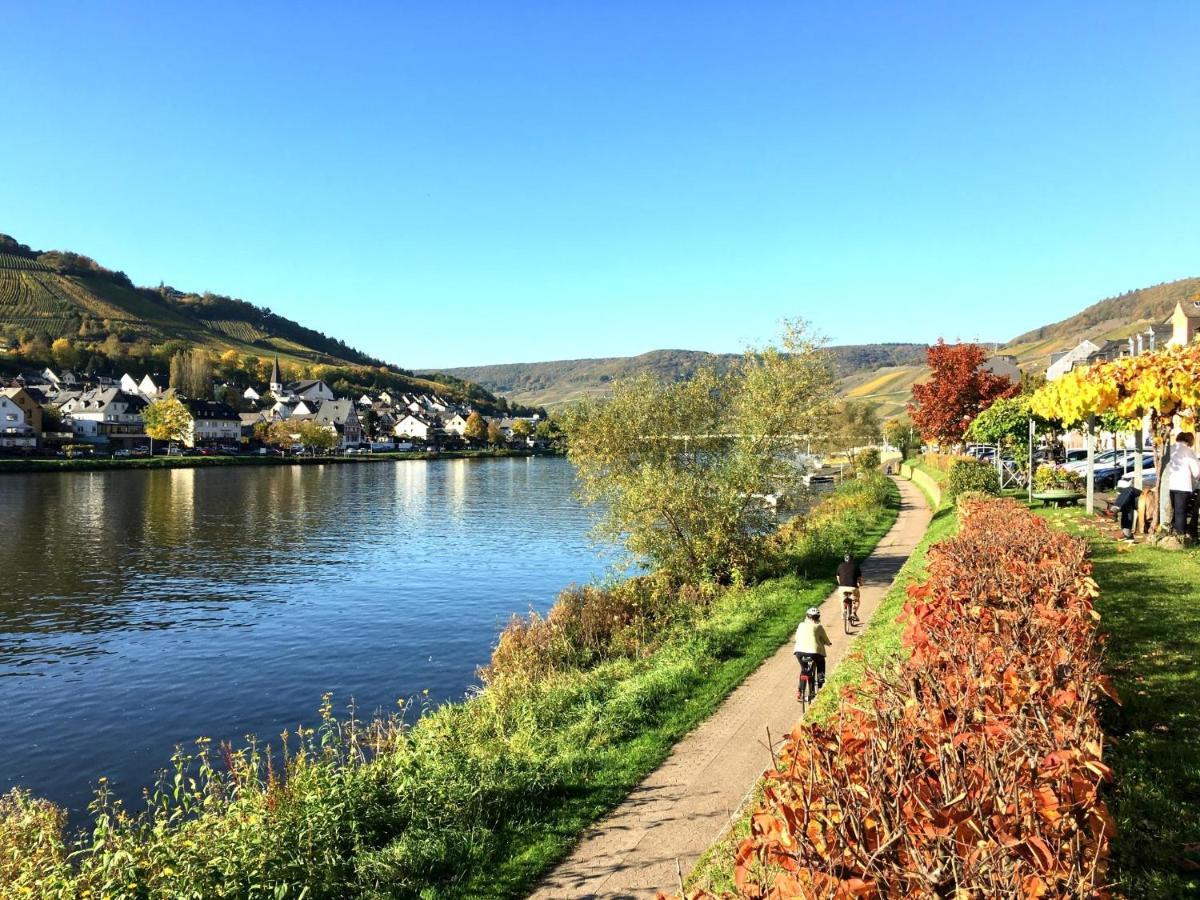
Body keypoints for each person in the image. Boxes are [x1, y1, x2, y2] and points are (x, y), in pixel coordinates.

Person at [1165, 431, 1200, 537]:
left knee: (1169, 511)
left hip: (1168, 485)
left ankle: (1167, 532)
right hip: (1183, 485)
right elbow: (1196, 472)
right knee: (1180, 512)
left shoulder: (1168, 449)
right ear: (1189, 441)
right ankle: (1179, 536)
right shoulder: (1189, 452)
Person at [793, 607, 832, 697]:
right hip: (814, 652)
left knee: (804, 670)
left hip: (799, 652)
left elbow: (796, 637)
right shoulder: (818, 626)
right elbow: (825, 639)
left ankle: (800, 692)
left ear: (807, 616)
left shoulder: (801, 625)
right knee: (821, 663)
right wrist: (828, 643)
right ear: (818, 618)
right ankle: (820, 681)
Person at [836, 552, 863, 621]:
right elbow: (859, 578)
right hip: (852, 588)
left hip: (842, 588)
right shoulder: (856, 566)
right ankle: (853, 613)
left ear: (845, 559)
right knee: (857, 601)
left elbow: (838, 577)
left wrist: (841, 584)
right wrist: (860, 583)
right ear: (852, 559)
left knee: (842, 600)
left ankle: (843, 612)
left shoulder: (840, 566)